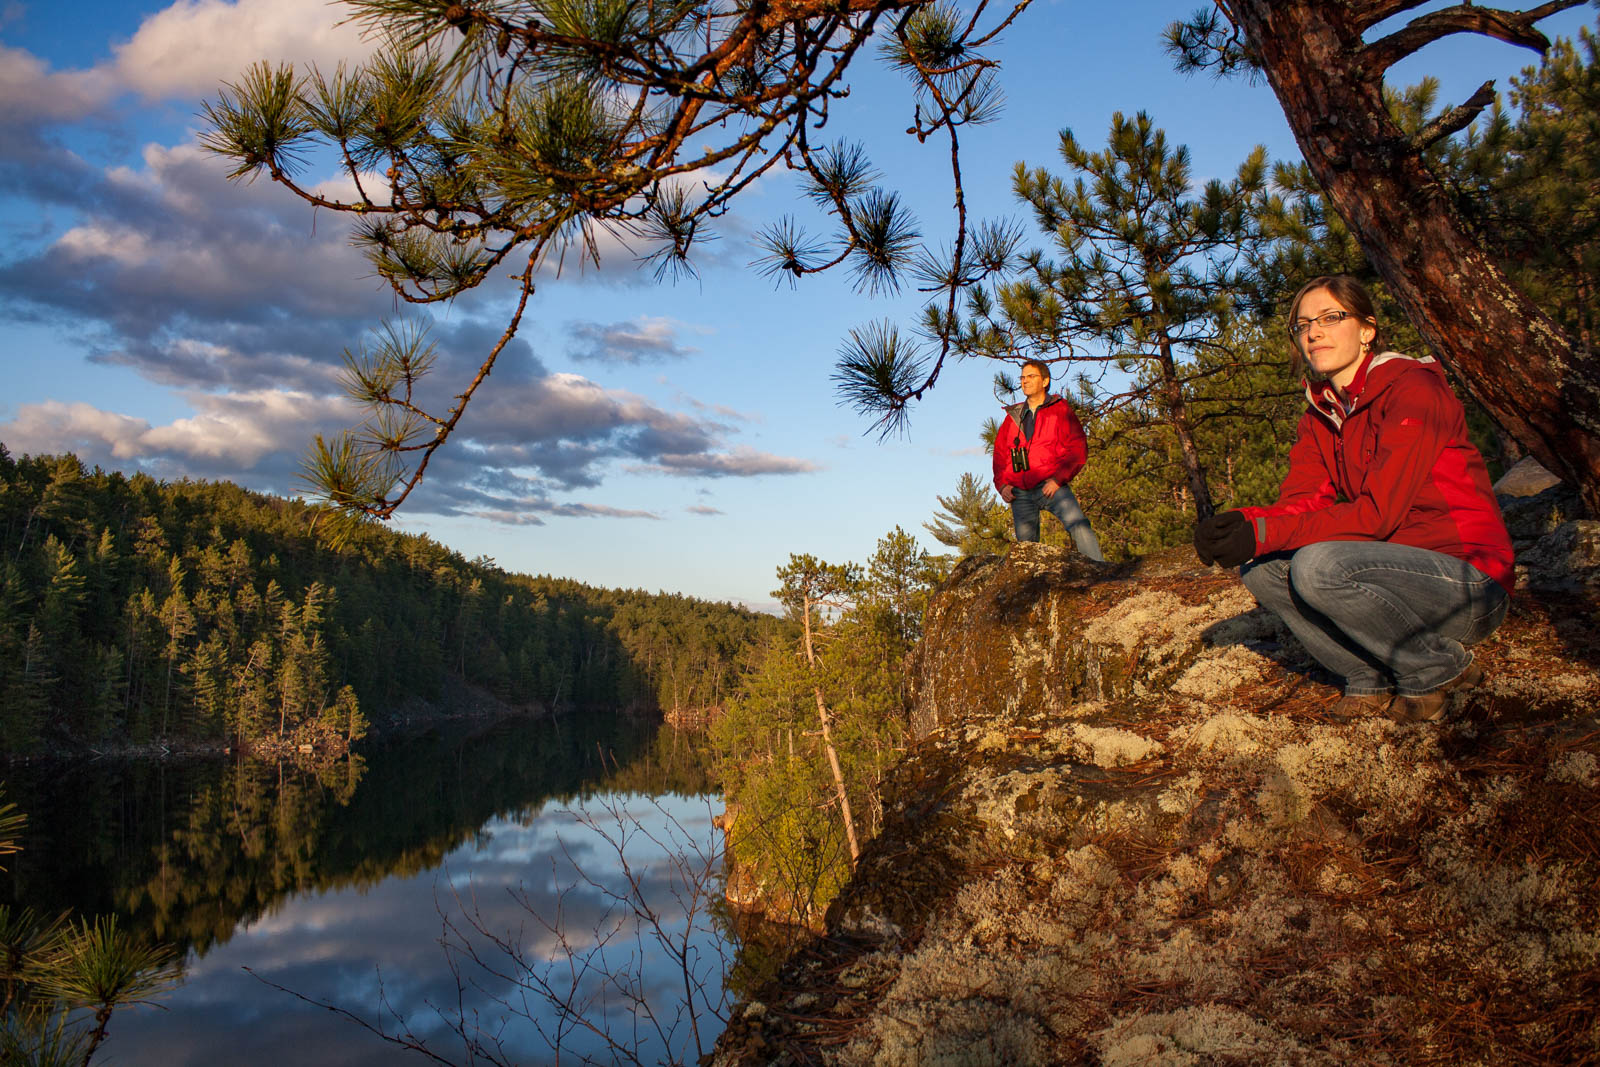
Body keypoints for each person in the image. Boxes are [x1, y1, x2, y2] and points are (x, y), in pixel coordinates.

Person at [1193, 275, 1513, 723]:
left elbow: (1378, 515)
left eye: (1330, 318)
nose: (1313, 332)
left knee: (1318, 566)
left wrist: (1263, 531)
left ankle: (1438, 669)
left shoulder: (1413, 389)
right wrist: (1242, 522)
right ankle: (1368, 675)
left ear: (1367, 330)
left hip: (1468, 586)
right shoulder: (1322, 412)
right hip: (1391, 579)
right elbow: (1305, 501)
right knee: (1262, 571)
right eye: (1303, 325)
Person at [993, 360, 1105, 560]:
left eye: (1031, 376)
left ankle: (1101, 573)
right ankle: (1032, 589)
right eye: (1023, 377)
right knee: (1027, 550)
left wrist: (1058, 479)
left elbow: (1077, 448)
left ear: (1045, 381)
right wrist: (1002, 485)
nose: (1025, 381)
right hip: (1020, 493)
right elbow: (1000, 454)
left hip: (1050, 485)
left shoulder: (1059, 409)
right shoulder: (1013, 416)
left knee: (1079, 525)